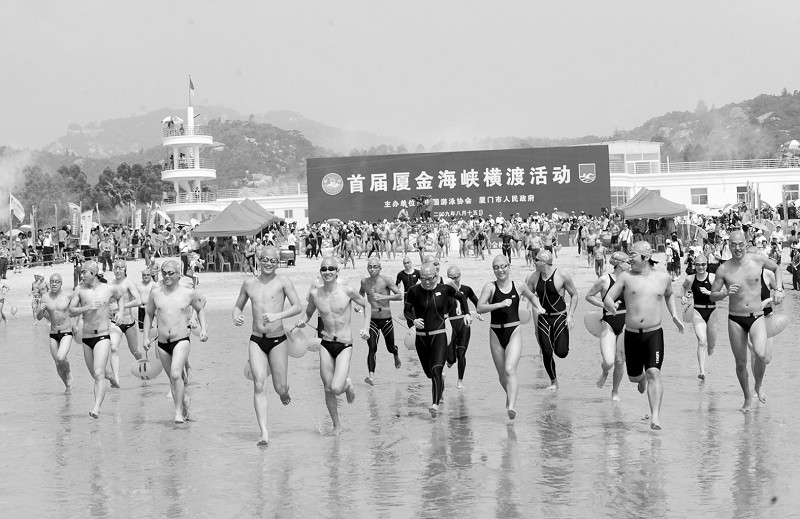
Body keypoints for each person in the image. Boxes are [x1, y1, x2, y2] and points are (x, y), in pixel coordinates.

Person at [604, 241, 684, 430]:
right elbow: (608, 297)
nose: (629, 258)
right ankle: (640, 380)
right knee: (634, 377)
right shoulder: (625, 277)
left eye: (632, 255)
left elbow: (669, 294)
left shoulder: (663, 277)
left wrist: (674, 315)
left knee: (654, 372)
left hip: (653, 333)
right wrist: (611, 305)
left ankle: (655, 417)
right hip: (632, 335)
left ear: (645, 257)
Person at [233, 247, 302, 445]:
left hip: (277, 339)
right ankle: (264, 433)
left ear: (277, 262)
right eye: (265, 259)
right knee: (259, 384)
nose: (268, 263)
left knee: (280, 387)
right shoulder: (249, 283)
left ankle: (284, 392)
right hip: (256, 339)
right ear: (259, 259)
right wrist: (236, 316)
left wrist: (277, 316)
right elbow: (237, 307)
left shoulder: (283, 281)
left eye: (273, 260)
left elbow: (298, 306)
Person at [710, 230, 784, 412]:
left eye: (740, 244)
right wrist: (725, 293)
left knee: (761, 354)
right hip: (735, 318)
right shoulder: (723, 269)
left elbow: (777, 268)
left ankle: (758, 385)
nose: (737, 248)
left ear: (745, 243)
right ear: (729, 246)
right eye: (733, 245)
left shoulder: (757, 259)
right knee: (741, 362)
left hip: (757, 315)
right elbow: (712, 295)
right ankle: (747, 398)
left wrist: (779, 289)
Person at [297, 257, 370, 434]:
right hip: (326, 344)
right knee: (327, 388)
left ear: (337, 271)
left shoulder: (347, 291)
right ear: (320, 272)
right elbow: (308, 314)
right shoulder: (315, 294)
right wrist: (302, 321)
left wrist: (366, 328)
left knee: (336, 388)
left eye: (331, 268)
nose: (327, 272)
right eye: (324, 269)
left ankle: (347, 385)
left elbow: (366, 305)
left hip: (344, 344)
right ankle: (336, 425)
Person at [477, 256, 544, 418]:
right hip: (495, 333)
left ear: (509, 266)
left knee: (509, 369)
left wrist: (539, 307)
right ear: (493, 269)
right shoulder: (490, 287)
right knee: (502, 376)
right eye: (496, 267)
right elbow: (480, 307)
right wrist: (499, 304)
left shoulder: (519, 286)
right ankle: (510, 396)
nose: (500, 270)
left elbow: (532, 296)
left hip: (514, 331)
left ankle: (512, 407)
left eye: (503, 266)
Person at [143, 260, 209, 423]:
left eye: (170, 273)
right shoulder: (156, 293)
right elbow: (148, 314)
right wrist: (145, 337)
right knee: (173, 380)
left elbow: (200, 308)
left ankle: (177, 413)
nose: (166, 276)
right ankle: (184, 402)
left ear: (178, 275)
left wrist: (203, 329)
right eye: (164, 273)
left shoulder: (188, 293)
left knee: (175, 374)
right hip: (162, 343)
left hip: (181, 340)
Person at [404, 262, 465, 417]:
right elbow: (406, 311)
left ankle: (434, 404)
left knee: (436, 369)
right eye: (423, 278)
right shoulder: (413, 291)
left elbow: (461, 297)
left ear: (436, 276)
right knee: (429, 374)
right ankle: (440, 386)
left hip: (439, 335)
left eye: (430, 278)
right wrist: (413, 321)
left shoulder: (444, 289)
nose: (427, 282)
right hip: (421, 339)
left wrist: (467, 314)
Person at [68, 261, 126, 418]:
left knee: (99, 372)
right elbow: (71, 311)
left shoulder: (108, 289)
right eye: (81, 272)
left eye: (84, 272)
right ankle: (112, 378)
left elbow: (120, 297)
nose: (81, 275)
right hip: (87, 337)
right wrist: (87, 307)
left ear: (93, 273)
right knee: (96, 374)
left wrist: (120, 312)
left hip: (102, 335)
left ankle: (96, 408)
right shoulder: (79, 290)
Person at [525, 250, 578, 390]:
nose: (534, 262)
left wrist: (570, 315)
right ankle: (554, 382)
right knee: (546, 352)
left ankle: (555, 339)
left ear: (543, 262)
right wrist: (528, 308)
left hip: (560, 316)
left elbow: (574, 295)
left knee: (561, 353)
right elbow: (528, 295)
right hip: (543, 317)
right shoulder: (534, 277)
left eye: (536, 260)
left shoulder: (562, 275)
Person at [584, 251, 630, 401]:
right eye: (628, 262)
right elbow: (589, 296)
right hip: (609, 323)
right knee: (609, 362)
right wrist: (603, 304)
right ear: (619, 264)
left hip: (626, 324)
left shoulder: (630, 280)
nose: (630, 265)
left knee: (620, 361)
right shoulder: (604, 280)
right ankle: (604, 372)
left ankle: (615, 392)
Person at [359, 258, 403, 386]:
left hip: (386, 319)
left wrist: (383, 297)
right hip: (371, 319)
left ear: (380, 268)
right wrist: (359, 304)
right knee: (372, 348)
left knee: (390, 348)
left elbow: (399, 296)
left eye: (375, 267)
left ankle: (395, 353)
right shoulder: (364, 281)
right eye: (370, 267)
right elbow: (360, 294)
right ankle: (371, 376)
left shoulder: (386, 280)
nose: (372, 269)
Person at [445, 265, 482, 389]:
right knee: (451, 359)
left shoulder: (466, 289)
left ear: (460, 276)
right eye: (451, 278)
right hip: (450, 324)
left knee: (461, 354)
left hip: (464, 324)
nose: (453, 280)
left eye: (455, 277)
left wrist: (479, 313)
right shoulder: (445, 291)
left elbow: (477, 303)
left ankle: (460, 382)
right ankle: (450, 361)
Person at [36, 274, 74, 393]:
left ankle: (69, 371)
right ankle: (67, 386)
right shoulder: (45, 297)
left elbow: (76, 310)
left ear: (61, 283)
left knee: (61, 357)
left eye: (56, 281)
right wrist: (41, 310)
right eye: (52, 281)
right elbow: (39, 317)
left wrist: (77, 324)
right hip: (53, 333)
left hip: (66, 331)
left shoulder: (68, 295)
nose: (54, 283)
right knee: (57, 363)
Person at [681, 254, 717, 380]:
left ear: (707, 265)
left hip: (712, 312)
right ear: (694, 265)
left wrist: (709, 292)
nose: (700, 267)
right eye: (698, 265)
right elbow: (683, 287)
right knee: (702, 341)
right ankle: (702, 371)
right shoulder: (690, 278)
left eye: (703, 264)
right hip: (697, 311)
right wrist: (683, 296)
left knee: (711, 345)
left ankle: (711, 347)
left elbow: (721, 294)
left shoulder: (712, 277)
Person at [110, 260, 143, 367]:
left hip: (128, 322)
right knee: (113, 348)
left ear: (125, 269)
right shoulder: (112, 283)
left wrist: (120, 307)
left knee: (135, 351)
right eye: (116, 268)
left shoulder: (128, 283)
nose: (118, 271)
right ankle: (116, 376)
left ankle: (144, 368)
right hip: (115, 322)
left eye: (120, 268)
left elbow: (138, 301)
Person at [396, 257, 421, 326]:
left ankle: (419, 326)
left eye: (408, 263)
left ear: (411, 263)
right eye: (405, 263)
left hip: (416, 295)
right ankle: (411, 327)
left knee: (418, 311)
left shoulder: (417, 272)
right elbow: (396, 286)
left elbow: (424, 282)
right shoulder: (401, 274)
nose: (406, 265)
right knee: (408, 312)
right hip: (407, 295)